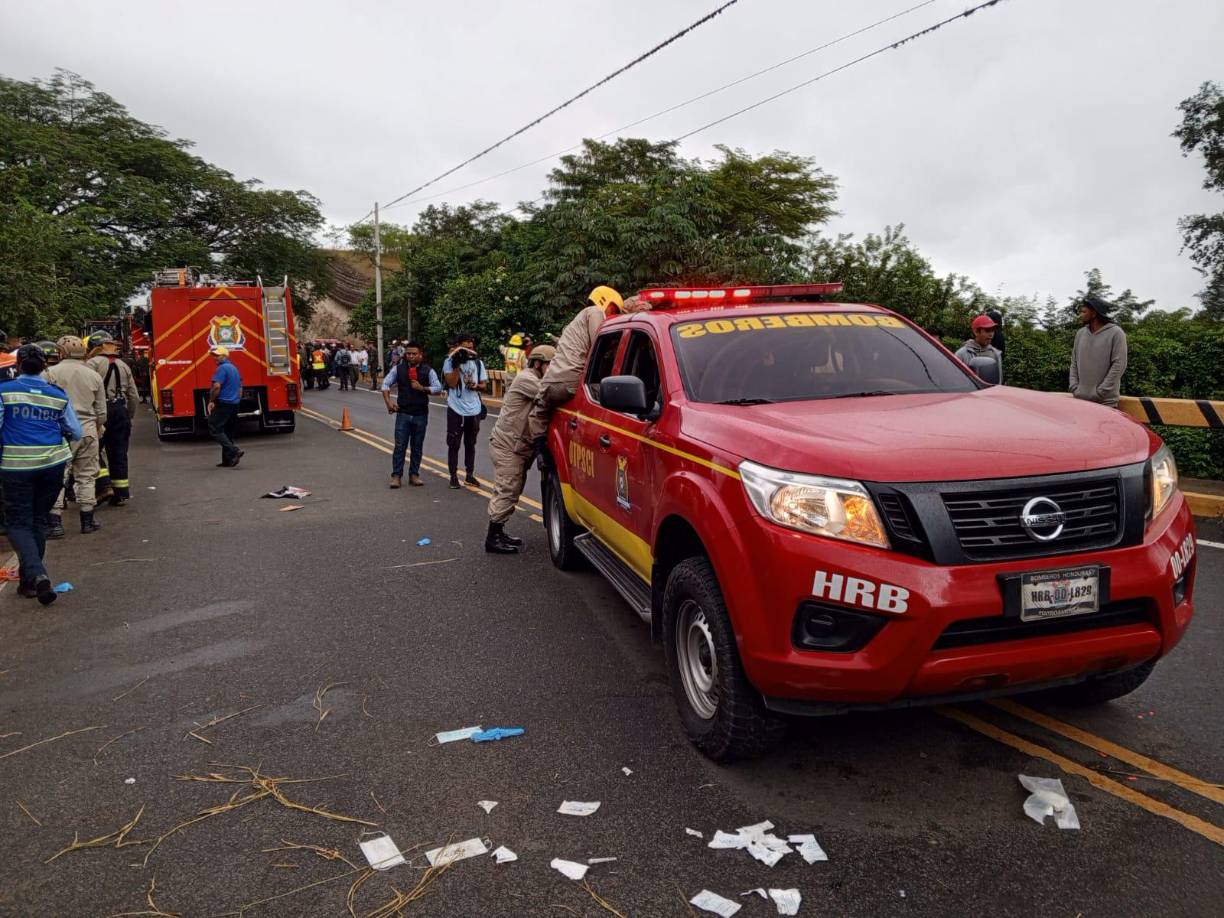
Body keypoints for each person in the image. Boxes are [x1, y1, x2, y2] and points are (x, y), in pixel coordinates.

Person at [0, 344, 82, 605]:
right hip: (52, 466)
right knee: (38, 521)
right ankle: (29, 583)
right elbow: (76, 432)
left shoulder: (4, 391)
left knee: (18, 524)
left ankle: (36, 575)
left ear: (18, 366)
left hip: (16, 467)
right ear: (44, 366)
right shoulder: (57, 394)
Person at [527, 286, 645, 441]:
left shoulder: (577, 322)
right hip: (571, 381)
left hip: (552, 382)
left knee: (539, 412)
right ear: (609, 304)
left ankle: (539, 447)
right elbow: (599, 343)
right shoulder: (595, 312)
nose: (614, 316)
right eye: (616, 311)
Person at [485, 345, 555, 553]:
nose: (553, 369)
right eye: (550, 365)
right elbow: (550, 394)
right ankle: (492, 537)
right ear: (538, 363)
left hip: (517, 446)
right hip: (508, 446)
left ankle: (499, 532)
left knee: (514, 488)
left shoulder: (532, 377)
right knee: (508, 488)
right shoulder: (527, 379)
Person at [46, 335, 106, 536]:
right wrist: (97, 427)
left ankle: (55, 523)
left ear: (61, 352)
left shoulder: (49, 374)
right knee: (87, 476)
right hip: (88, 430)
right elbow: (101, 412)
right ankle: (87, 520)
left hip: (60, 431)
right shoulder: (93, 375)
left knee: (59, 476)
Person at [381, 341, 442, 488]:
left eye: (414, 354)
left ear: (420, 355)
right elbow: (385, 384)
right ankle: (396, 476)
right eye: (408, 353)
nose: (411, 356)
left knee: (417, 446)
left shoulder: (428, 371)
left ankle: (414, 474)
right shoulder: (398, 369)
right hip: (403, 413)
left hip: (420, 414)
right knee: (400, 446)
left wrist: (422, 388)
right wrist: (388, 402)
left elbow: (438, 388)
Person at [87, 338, 139, 506]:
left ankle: (104, 485)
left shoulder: (92, 364)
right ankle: (121, 494)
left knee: (93, 450)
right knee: (119, 452)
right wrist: (128, 416)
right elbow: (134, 396)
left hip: (100, 410)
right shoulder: (124, 366)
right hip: (120, 411)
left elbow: (87, 389)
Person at [441, 333, 489, 489]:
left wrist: (476, 386)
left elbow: (483, 385)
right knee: (454, 444)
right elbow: (451, 383)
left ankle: (469, 475)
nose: (469, 346)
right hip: (456, 408)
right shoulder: (449, 361)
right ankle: (453, 477)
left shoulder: (478, 363)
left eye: (471, 343)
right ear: (458, 346)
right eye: (466, 344)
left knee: (471, 444)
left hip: (474, 409)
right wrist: (456, 363)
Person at [1070, 294, 1128, 407]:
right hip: (1080, 401)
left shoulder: (1116, 333)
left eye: (1084, 312)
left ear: (1094, 313)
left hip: (1105, 403)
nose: (1081, 315)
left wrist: (1101, 392)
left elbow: (1119, 364)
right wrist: (1074, 387)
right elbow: (1074, 362)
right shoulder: (1080, 333)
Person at [207, 346, 244, 467]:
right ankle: (227, 460)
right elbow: (240, 389)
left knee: (215, 428)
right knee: (228, 432)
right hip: (234, 404)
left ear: (225, 356)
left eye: (217, 355)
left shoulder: (222, 369)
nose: (215, 358)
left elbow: (217, 386)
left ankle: (234, 451)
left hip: (223, 403)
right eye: (214, 356)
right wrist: (237, 400)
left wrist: (211, 400)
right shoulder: (234, 368)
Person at [954, 315, 1004, 383]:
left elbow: (999, 381)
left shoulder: (996, 354)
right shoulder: (962, 354)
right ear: (976, 332)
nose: (991, 334)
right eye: (987, 330)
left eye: (992, 331)